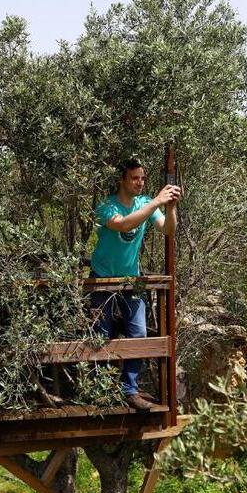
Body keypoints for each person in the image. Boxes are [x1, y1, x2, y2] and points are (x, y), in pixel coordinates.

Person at [89, 158, 181, 410]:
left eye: (142, 178)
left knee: (138, 333)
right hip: (102, 279)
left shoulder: (145, 203)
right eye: (134, 178)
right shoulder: (107, 206)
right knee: (101, 335)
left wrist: (170, 207)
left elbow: (168, 230)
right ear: (122, 179)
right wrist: (156, 202)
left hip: (132, 280)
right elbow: (123, 224)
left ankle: (129, 390)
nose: (140, 183)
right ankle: (100, 390)